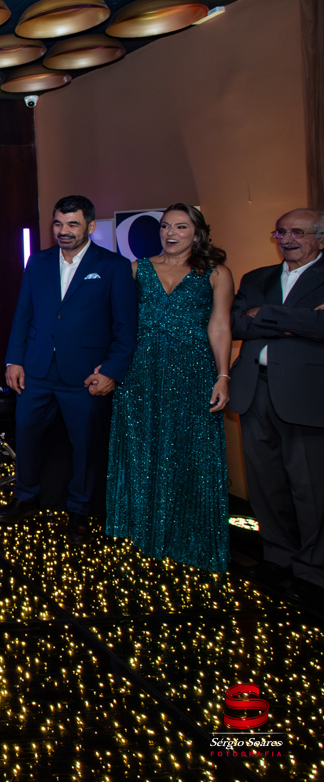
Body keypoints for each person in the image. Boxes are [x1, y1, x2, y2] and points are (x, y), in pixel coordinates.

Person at [0, 195, 138, 546]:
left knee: (86, 446)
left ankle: (80, 511)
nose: (63, 230)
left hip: (85, 374)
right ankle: (26, 497)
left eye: (72, 224)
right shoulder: (38, 261)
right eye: (58, 223)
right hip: (36, 369)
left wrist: (111, 371)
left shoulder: (114, 266)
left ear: (90, 226)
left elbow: (126, 327)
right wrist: (14, 360)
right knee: (26, 436)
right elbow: (23, 313)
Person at [105, 204, 234, 572]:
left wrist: (223, 376)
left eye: (180, 226)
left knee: (190, 453)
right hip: (140, 374)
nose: (170, 233)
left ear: (197, 232)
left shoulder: (217, 273)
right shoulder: (136, 269)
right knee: (140, 452)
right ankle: (139, 533)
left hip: (193, 373)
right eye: (165, 226)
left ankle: (187, 540)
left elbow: (220, 326)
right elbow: (118, 324)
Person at [230, 208, 324, 607]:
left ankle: (312, 573)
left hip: (304, 395)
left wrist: (265, 315)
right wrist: (297, 322)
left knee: (309, 488)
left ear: (320, 238)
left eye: (297, 233)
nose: (287, 239)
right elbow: (235, 324)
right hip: (254, 390)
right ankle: (277, 557)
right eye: (281, 232)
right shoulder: (257, 278)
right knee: (265, 483)